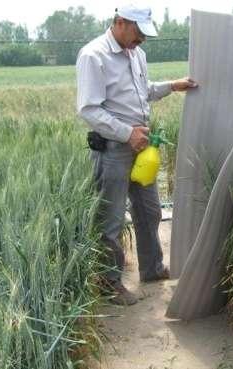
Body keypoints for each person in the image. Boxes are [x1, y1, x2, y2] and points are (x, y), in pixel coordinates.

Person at [76, 4, 197, 305]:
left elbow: (144, 91)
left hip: (142, 149)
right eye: (138, 32)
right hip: (114, 150)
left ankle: (153, 269)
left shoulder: (136, 54)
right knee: (111, 219)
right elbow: (89, 109)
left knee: (150, 210)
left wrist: (173, 86)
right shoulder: (94, 56)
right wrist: (126, 133)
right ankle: (109, 283)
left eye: (145, 33)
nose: (142, 39)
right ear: (120, 22)